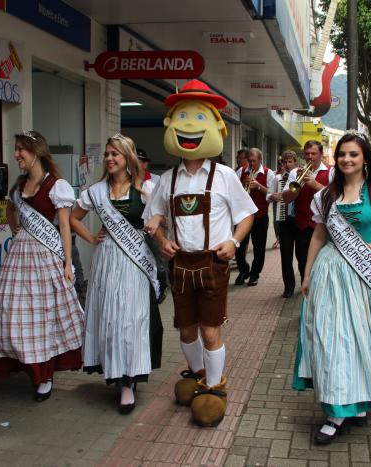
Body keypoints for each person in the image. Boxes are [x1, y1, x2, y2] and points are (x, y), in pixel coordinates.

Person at [293, 133, 371, 445]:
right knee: (331, 338)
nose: (347, 160)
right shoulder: (326, 195)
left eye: (354, 154)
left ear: (365, 159)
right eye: (342, 154)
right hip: (330, 273)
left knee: (363, 338)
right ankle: (336, 411)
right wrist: (307, 274)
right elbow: (319, 236)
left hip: (364, 276)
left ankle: (359, 400)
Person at [144, 79, 256, 427]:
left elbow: (247, 215)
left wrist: (234, 243)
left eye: (198, 118)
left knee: (210, 331)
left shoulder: (224, 176)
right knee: (186, 330)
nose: (190, 127)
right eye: (183, 117)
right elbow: (153, 220)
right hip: (180, 265)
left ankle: (215, 385)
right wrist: (162, 240)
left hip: (212, 263)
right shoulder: (167, 178)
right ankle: (195, 375)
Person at [0, 130, 83, 401]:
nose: (17, 154)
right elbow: (9, 209)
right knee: (14, 312)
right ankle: (27, 365)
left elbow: (64, 227)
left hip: (45, 258)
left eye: (21, 150)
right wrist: (15, 229)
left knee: (43, 316)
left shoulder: (57, 186)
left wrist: (66, 262)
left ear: (36, 151)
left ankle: (45, 375)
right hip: (19, 258)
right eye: (16, 149)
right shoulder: (18, 186)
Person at [70, 134, 163, 415]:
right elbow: (73, 218)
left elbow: (162, 216)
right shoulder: (96, 191)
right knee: (111, 317)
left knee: (131, 320)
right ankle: (116, 373)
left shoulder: (146, 188)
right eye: (108, 154)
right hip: (108, 260)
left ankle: (129, 380)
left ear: (127, 158)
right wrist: (91, 238)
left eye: (116, 154)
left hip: (135, 262)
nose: (110, 158)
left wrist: (157, 221)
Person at [282, 140, 331, 283]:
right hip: (302, 225)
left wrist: (315, 185)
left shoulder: (331, 171)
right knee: (303, 261)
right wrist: (297, 187)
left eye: (314, 153)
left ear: (321, 154)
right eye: (307, 153)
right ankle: (307, 285)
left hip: (322, 226)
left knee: (322, 261)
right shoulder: (295, 172)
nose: (310, 157)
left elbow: (336, 198)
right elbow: (286, 198)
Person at [234, 148, 275, 287]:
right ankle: (243, 271)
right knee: (238, 247)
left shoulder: (269, 173)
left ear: (260, 160)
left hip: (260, 216)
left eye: (253, 161)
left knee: (259, 248)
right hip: (243, 216)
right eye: (249, 161)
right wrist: (243, 186)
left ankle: (254, 274)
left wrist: (258, 186)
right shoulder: (240, 171)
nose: (251, 164)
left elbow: (271, 195)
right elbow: (234, 191)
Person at [269, 150, 298, 297]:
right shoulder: (278, 178)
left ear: (295, 162)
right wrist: (273, 196)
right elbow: (269, 195)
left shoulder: (301, 175)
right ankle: (289, 286)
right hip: (284, 220)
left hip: (298, 220)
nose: (287, 165)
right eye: (284, 162)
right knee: (285, 255)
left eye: (290, 162)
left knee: (301, 255)